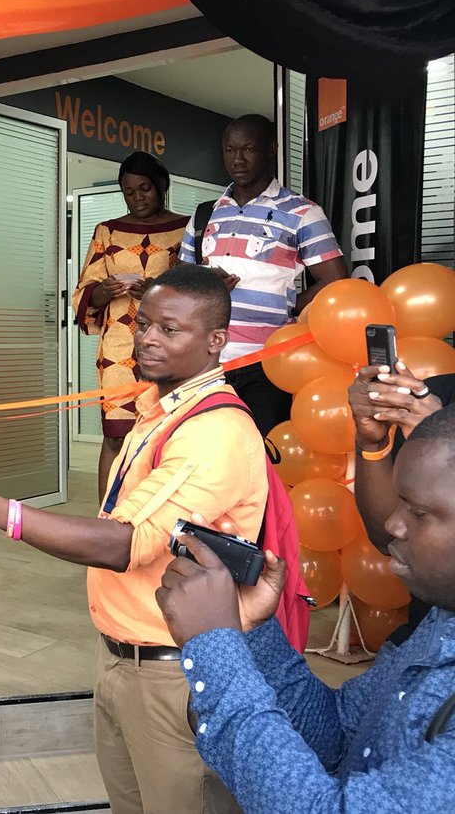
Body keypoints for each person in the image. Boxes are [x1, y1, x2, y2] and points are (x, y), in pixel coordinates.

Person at [0, 266, 267, 814]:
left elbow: (126, 544)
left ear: (216, 340)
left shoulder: (212, 431)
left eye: (169, 329)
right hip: (123, 655)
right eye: (143, 324)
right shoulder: (160, 410)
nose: (147, 338)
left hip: (174, 669)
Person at [155, 403, 455, 812]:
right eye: (400, 502)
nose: (392, 524)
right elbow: (337, 736)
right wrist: (254, 631)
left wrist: (214, 647)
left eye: (418, 512)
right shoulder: (440, 623)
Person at [178, 113, 347, 438]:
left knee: (263, 454)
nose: (237, 159)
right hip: (206, 361)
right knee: (208, 452)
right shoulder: (205, 214)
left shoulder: (302, 212)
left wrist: (289, 305)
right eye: (230, 150)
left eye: (248, 149)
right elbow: (180, 281)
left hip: (268, 362)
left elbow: (336, 280)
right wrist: (207, 284)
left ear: (271, 149)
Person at [72, 151, 189, 499]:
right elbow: (83, 293)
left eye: (145, 189)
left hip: (170, 344)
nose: (137, 198)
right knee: (116, 434)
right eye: (129, 192)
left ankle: (157, 511)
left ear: (162, 185)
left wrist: (157, 289)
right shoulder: (107, 231)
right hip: (119, 347)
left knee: (168, 432)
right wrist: (103, 291)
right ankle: (106, 515)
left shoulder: (186, 228)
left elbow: (197, 289)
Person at [348, 361, 455, 643]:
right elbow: (385, 538)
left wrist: (443, 446)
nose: (395, 524)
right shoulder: (434, 395)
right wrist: (372, 443)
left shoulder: (436, 415)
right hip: (420, 636)